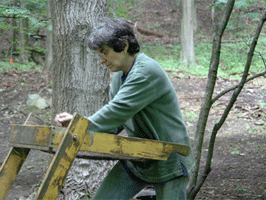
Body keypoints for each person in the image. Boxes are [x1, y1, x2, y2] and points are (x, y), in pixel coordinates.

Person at [55, 18, 195, 200]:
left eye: (104, 52)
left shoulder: (146, 72)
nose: (101, 60)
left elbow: (116, 112)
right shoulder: (119, 78)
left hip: (171, 161)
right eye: (99, 54)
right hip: (140, 159)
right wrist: (78, 126)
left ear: (125, 45)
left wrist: (79, 125)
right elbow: (115, 123)